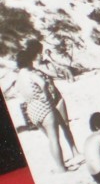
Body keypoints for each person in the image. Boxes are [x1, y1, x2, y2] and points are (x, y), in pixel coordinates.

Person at [14, 42, 80, 172]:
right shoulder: (32, 71)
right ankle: (62, 166)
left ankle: (72, 153)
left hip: (37, 107)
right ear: (32, 56)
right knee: (54, 138)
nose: (40, 55)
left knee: (59, 132)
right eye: (38, 52)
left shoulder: (23, 75)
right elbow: (44, 83)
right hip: (46, 104)